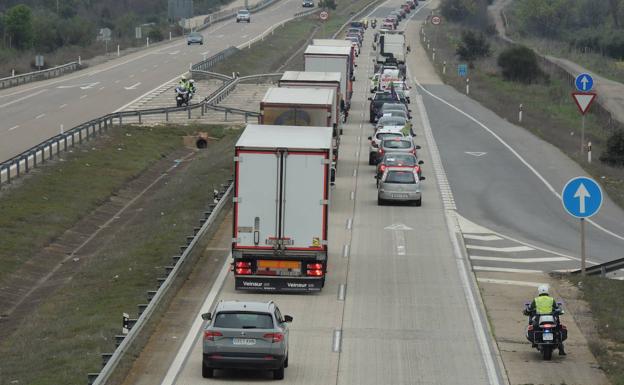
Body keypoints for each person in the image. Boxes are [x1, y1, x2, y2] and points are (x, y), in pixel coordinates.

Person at [525, 284, 566, 355]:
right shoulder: (551, 299)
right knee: (557, 327)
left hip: (539, 318)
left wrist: (526, 311)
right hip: (551, 318)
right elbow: (557, 308)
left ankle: (535, 342)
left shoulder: (536, 300)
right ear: (547, 291)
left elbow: (529, 309)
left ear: (539, 292)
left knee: (533, 326)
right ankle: (560, 347)